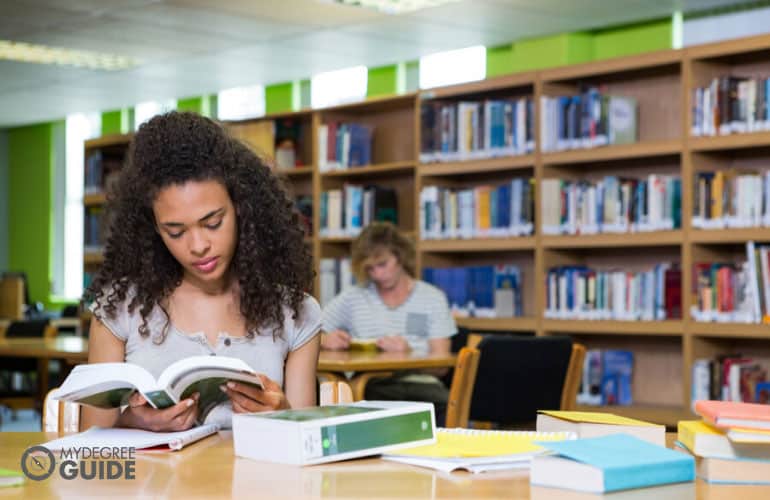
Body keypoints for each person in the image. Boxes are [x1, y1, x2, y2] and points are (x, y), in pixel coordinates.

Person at [81, 111, 320, 432]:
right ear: (153, 229)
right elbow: (89, 453)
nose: (198, 245)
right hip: (153, 482)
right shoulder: (118, 309)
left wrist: (283, 413)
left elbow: (306, 451)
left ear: (241, 207)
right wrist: (131, 421)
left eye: (213, 223)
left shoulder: (296, 313)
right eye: (175, 232)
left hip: (257, 482)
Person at [320, 222, 457, 424]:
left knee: (436, 402)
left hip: (419, 384)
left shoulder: (432, 297)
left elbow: (441, 366)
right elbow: (307, 332)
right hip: (368, 383)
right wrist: (325, 340)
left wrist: (408, 353)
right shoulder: (353, 297)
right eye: (370, 269)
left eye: (382, 264)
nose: (377, 274)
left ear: (400, 256)